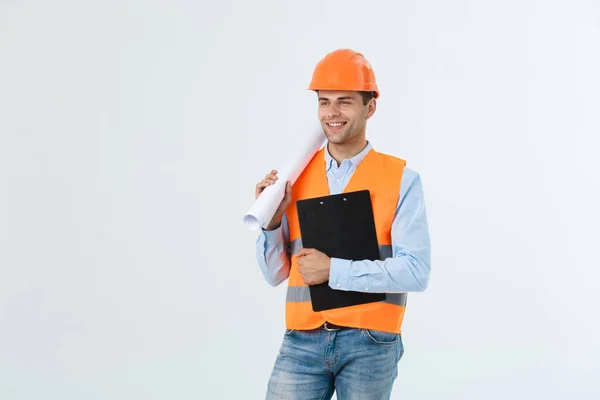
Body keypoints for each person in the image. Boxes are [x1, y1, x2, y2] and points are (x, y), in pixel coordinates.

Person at [254, 48, 431, 400]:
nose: (332, 113)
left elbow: (416, 272)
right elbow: (275, 274)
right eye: (324, 102)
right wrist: (271, 224)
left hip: (370, 340)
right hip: (301, 340)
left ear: (370, 106)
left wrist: (333, 270)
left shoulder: (401, 179)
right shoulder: (296, 177)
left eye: (345, 102)